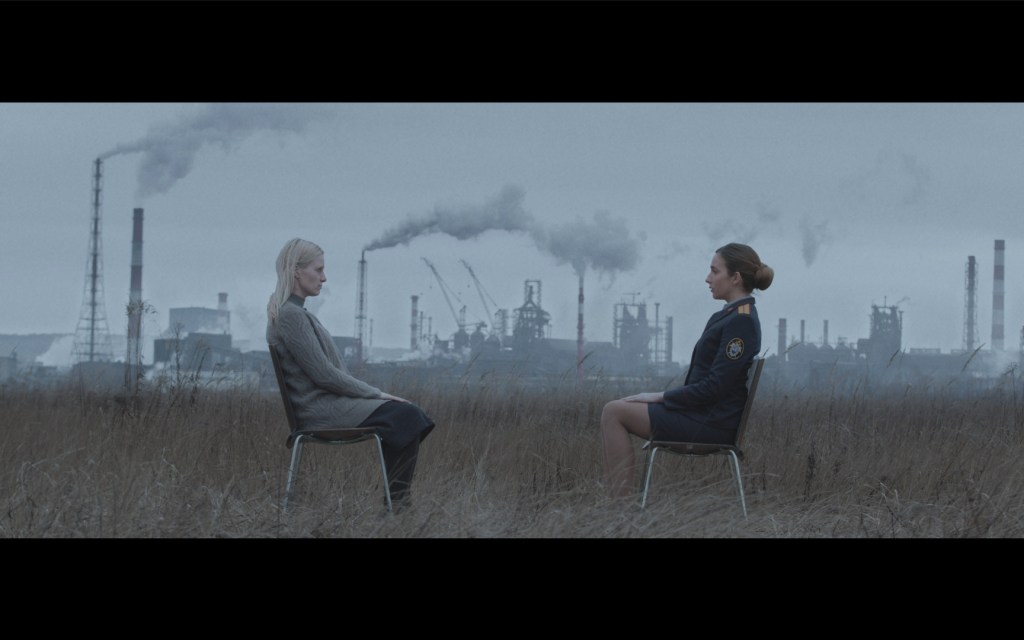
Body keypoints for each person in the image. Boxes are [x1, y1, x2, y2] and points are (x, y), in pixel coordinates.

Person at [266, 238, 435, 510]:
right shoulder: (291, 316)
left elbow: (326, 373)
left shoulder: (297, 313)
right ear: (297, 271)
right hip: (321, 411)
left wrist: (376, 397)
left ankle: (396, 505)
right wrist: (377, 393)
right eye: (318, 270)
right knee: (407, 415)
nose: (324, 278)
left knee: (408, 416)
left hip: (330, 405)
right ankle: (397, 508)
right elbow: (324, 375)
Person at [600, 242, 774, 498]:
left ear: (735, 278)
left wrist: (660, 396)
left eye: (715, 271)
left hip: (709, 423)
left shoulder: (741, 322)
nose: (708, 278)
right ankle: (620, 508)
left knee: (614, 412)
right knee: (617, 407)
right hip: (700, 414)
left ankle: (620, 511)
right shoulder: (731, 316)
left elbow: (714, 387)